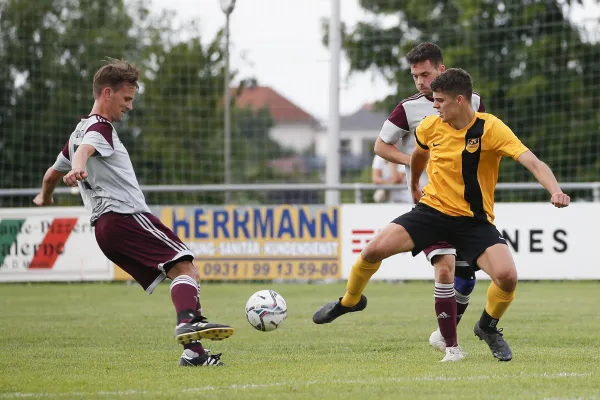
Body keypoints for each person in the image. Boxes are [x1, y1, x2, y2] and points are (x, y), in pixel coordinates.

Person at [313, 68, 570, 363]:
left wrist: (555, 190)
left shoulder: (491, 128)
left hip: (474, 221)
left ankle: (487, 326)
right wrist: (413, 186)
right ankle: (350, 300)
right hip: (432, 212)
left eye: (439, 100)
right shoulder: (430, 127)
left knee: (507, 277)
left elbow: (533, 162)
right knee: (372, 251)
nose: (434, 106)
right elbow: (419, 157)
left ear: (459, 100)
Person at [32, 58, 233, 367]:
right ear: (107, 93)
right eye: (127, 99)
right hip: (125, 215)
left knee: (182, 272)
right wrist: (78, 167)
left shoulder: (77, 133)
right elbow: (85, 151)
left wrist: (44, 198)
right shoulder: (100, 128)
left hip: (105, 229)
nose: (130, 106)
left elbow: (50, 176)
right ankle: (189, 324)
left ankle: (194, 353)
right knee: (186, 267)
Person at [373, 42, 485, 354]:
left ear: (441, 69)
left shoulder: (471, 100)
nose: (420, 82)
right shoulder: (408, 108)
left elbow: (482, 139)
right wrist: (415, 162)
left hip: (464, 204)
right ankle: (452, 348)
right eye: (415, 76)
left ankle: (442, 334)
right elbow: (381, 147)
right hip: (429, 203)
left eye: (424, 74)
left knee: (466, 277)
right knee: (445, 265)